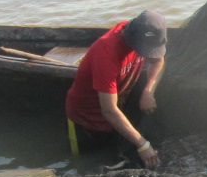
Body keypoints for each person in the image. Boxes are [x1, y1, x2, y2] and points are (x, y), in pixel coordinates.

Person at [64, 10, 167, 168]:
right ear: (133, 39)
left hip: (116, 116)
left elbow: (158, 61)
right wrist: (143, 144)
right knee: (85, 167)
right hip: (87, 120)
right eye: (144, 50)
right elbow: (109, 110)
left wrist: (148, 91)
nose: (146, 54)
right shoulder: (106, 53)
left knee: (120, 161)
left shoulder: (140, 32)